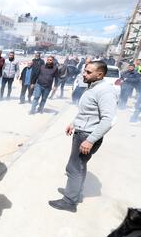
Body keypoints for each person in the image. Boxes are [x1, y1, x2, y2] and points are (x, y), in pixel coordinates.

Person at [49, 61, 118, 212]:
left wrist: (90, 140)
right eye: (84, 71)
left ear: (99, 74)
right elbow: (87, 112)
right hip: (82, 132)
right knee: (79, 167)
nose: (83, 74)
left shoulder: (105, 91)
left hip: (87, 136)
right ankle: (76, 193)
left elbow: (109, 120)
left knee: (74, 168)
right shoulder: (94, 87)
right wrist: (74, 123)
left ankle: (69, 202)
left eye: (88, 72)